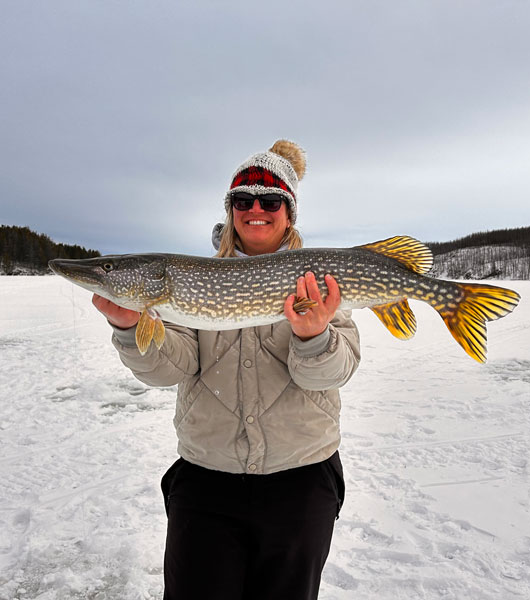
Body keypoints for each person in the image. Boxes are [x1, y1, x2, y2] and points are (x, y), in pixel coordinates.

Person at [92, 140, 361, 600]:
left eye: (270, 200)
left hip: (301, 480)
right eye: (243, 200)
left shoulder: (314, 278)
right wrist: (129, 326)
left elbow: (333, 373)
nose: (256, 209)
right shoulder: (187, 281)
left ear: (289, 212)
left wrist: (313, 336)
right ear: (231, 209)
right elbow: (169, 368)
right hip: (206, 481)